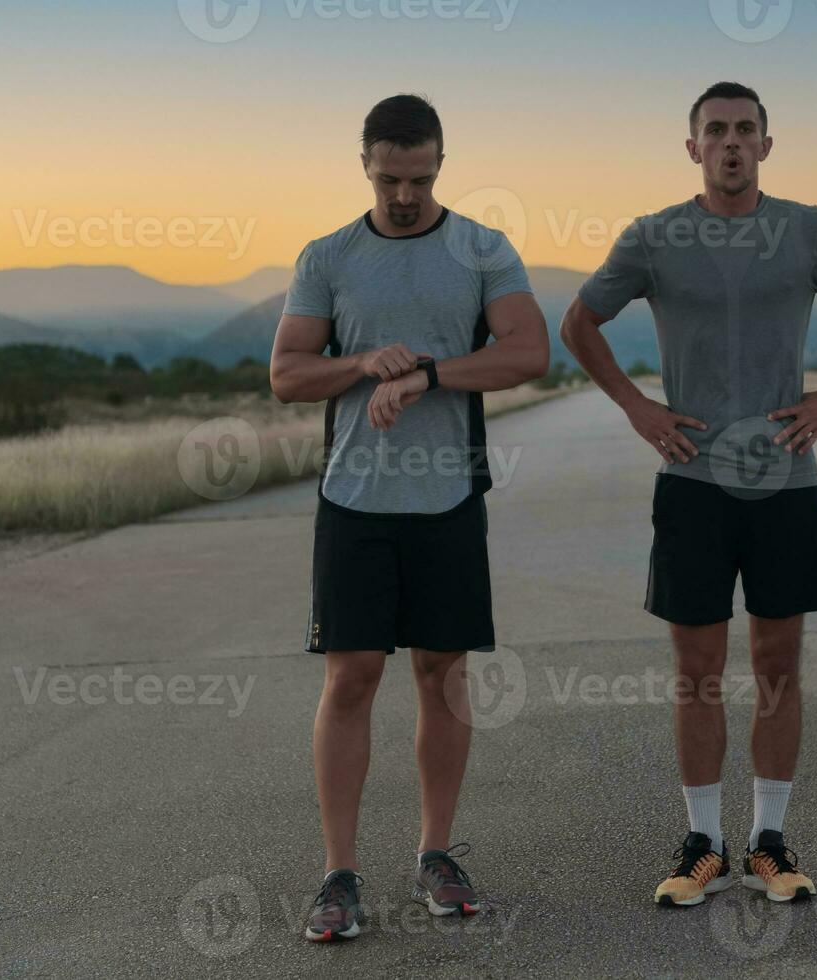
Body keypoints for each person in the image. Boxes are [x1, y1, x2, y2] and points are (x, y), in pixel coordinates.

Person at [560, 81, 817, 907]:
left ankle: (769, 842)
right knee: (697, 672)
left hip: (782, 480)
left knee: (779, 664)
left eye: (744, 130)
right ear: (691, 148)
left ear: (765, 144)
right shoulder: (653, 237)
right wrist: (638, 407)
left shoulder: (810, 229)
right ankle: (702, 844)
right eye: (714, 130)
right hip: (691, 481)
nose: (729, 142)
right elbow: (579, 322)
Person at [269, 93, 549, 940]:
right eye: (390, 178)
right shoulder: (328, 256)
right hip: (354, 501)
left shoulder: (481, 248)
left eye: (420, 178)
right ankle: (338, 876)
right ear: (364, 164)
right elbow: (285, 374)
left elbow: (529, 353)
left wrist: (427, 374)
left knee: (441, 676)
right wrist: (359, 363)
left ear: (439, 164)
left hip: (448, 500)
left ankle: (435, 854)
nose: (404, 195)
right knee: (350, 680)